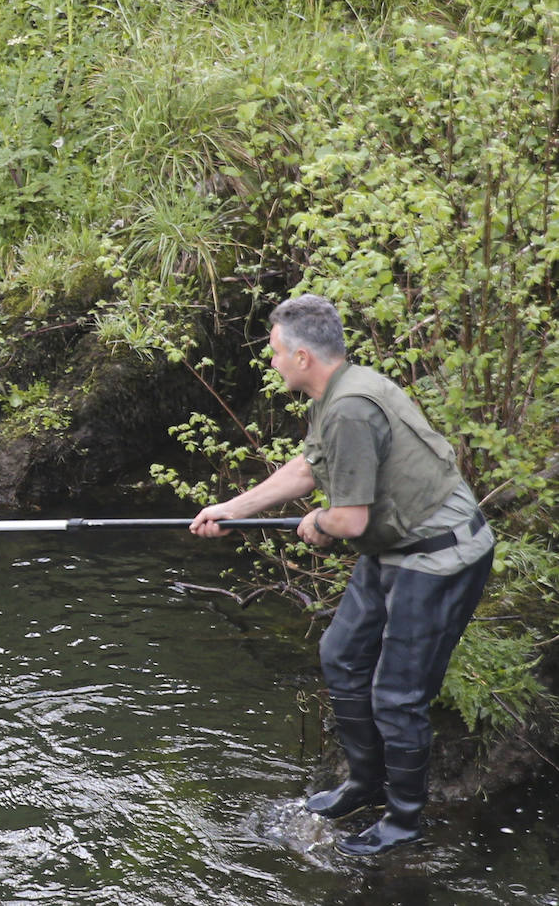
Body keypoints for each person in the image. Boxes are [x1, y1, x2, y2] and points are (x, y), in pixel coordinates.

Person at [189, 294, 493, 857]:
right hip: (394, 545)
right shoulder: (338, 391)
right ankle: (364, 783)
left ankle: (404, 821)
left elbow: (348, 519)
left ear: (303, 356)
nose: (272, 362)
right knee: (342, 655)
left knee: (398, 697)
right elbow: (307, 467)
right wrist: (235, 509)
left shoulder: (353, 405)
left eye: (276, 353)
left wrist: (320, 523)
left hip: (438, 557)